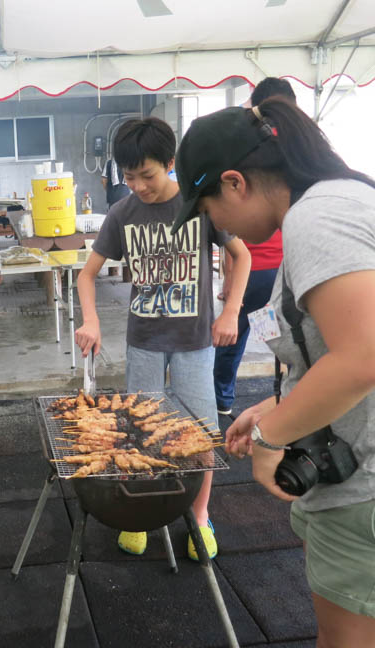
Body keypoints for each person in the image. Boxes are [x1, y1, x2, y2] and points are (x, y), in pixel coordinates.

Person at [173, 101, 375, 648]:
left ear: (236, 182)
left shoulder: (320, 217)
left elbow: (365, 358)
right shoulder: (341, 199)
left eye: (208, 211)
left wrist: (267, 437)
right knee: (343, 638)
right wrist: (283, 409)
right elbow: (347, 350)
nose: (214, 226)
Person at [75, 117, 251, 558]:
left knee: (202, 433)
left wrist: (230, 310)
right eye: (128, 177)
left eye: (147, 175)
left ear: (170, 163)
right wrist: (91, 320)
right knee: (139, 433)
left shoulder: (199, 204)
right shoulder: (122, 213)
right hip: (144, 341)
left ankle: (201, 515)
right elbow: (87, 275)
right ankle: (142, 517)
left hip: (194, 341)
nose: (138, 186)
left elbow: (241, 256)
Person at [213, 78, 296, 416]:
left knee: (236, 335)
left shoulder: (245, 150)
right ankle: (289, 395)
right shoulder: (296, 152)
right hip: (282, 271)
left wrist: (231, 281)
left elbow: (233, 233)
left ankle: (222, 401)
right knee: (280, 340)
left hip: (258, 272)